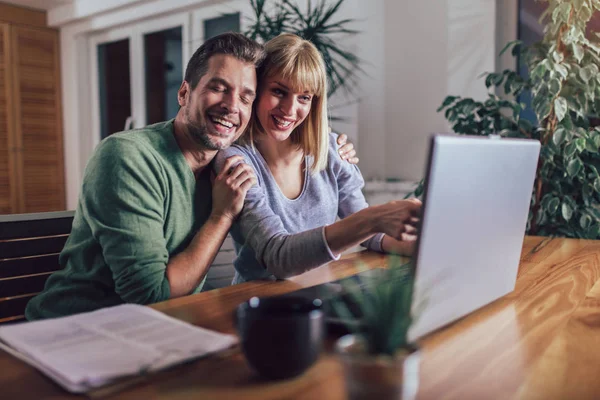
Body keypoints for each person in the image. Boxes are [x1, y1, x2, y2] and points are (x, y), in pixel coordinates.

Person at [25, 32, 357, 320]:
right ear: (184, 93)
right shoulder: (127, 156)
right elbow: (151, 298)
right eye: (218, 88)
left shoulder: (227, 164)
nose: (231, 106)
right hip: (75, 330)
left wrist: (337, 150)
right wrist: (221, 214)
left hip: (160, 329)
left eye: (245, 96)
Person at [214, 33, 421, 284]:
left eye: (304, 97)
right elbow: (278, 257)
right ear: (256, 90)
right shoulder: (236, 161)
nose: (290, 110)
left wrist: (417, 244)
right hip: (257, 303)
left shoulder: (332, 149)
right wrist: (373, 218)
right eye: (279, 91)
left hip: (322, 290)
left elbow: (370, 235)